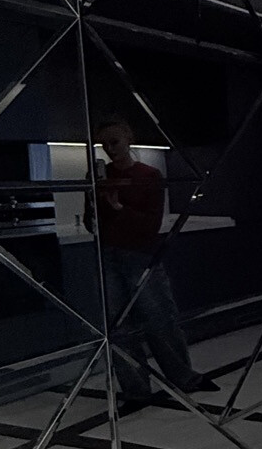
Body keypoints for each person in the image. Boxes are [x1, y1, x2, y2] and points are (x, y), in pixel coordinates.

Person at [89, 117, 213, 405]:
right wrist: (95, 200)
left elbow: (150, 225)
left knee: (159, 318)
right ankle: (136, 389)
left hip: (141, 255)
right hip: (108, 254)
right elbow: (90, 224)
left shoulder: (149, 175)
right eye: (104, 144)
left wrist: (118, 206)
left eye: (114, 142)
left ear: (128, 139)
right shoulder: (101, 176)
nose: (109, 149)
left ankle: (181, 377)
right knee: (118, 327)